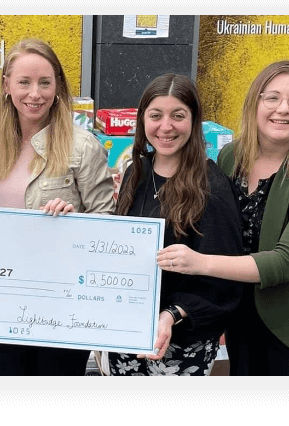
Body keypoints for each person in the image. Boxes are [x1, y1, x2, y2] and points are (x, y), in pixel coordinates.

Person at [158, 61, 289, 376]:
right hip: (242, 320)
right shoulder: (231, 157)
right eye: (272, 97)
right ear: (255, 103)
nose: (283, 108)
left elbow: (285, 263)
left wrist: (199, 262)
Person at [0, 38, 115, 375]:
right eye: (24, 82)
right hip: (7, 296)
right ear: (7, 86)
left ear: (58, 86)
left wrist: (75, 221)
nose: (35, 93)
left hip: (63, 302)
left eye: (44, 82)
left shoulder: (82, 146)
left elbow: (108, 224)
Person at [108, 74, 244, 376]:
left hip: (181, 343)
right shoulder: (136, 172)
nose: (166, 126)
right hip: (129, 332)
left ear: (193, 121)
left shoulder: (211, 187)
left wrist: (172, 314)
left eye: (178, 116)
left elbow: (224, 281)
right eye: (156, 115)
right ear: (143, 120)